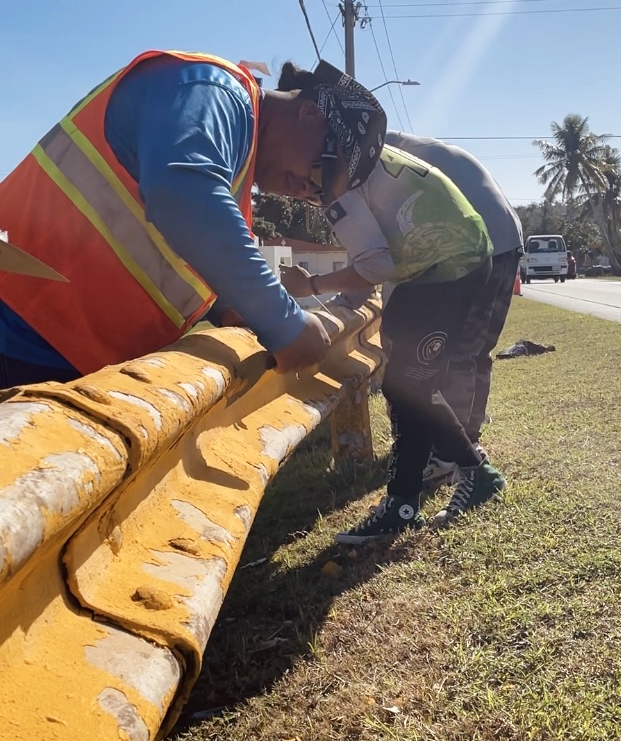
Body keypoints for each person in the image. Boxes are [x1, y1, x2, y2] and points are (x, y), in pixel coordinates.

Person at [0, 52, 386, 388]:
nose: (307, 191)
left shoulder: (233, 167)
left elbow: (181, 255)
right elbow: (181, 198)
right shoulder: (213, 91)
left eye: (321, 195)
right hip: (18, 331)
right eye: (321, 172)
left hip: (57, 355)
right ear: (311, 113)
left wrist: (228, 308)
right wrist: (283, 321)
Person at [276, 63, 508, 543]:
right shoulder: (361, 152)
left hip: (449, 271)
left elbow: (377, 266)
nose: (280, 186)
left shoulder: (337, 181)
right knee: (409, 386)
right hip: (451, 264)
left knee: (410, 386)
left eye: (279, 171)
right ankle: (459, 481)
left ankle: (411, 502)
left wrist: (311, 288)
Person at [384, 131, 523, 486]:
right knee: (477, 350)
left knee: (459, 352)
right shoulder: (417, 147)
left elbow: (394, 249)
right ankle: (467, 439)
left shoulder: (382, 161)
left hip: (478, 245)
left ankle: (450, 456)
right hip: (506, 234)